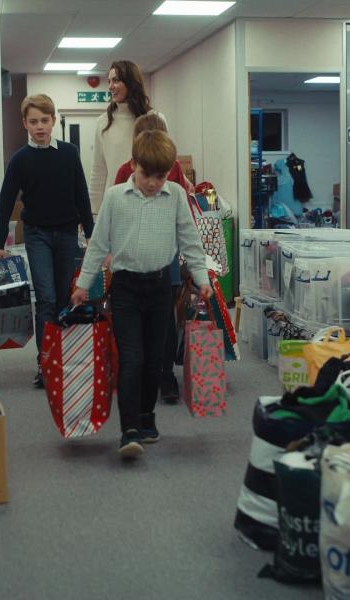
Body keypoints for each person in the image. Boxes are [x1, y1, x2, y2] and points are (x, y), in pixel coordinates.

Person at [73, 130, 212, 459]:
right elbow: (99, 245)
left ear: (170, 172)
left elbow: (190, 241)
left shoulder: (176, 195)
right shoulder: (115, 197)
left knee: (154, 361)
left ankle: (147, 418)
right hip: (126, 289)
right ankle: (129, 429)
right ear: (133, 165)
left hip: (162, 288)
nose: (153, 182)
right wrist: (83, 283)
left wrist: (202, 277)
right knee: (132, 358)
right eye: (147, 174)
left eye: (161, 176)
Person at [0, 94, 94, 388]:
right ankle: (45, 363)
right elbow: (5, 203)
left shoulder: (69, 153)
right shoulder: (20, 160)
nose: (40, 127)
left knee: (64, 298)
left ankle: (63, 358)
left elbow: (82, 197)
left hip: (66, 234)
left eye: (45, 121)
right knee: (46, 298)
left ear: (54, 121)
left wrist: (91, 237)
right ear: (25, 124)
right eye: (34, 121)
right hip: (37, 234)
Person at [112, 113, 194, 404]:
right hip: (132, 258)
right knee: (135, 321)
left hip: (165, 254)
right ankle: (140, 372)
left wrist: (192, 262)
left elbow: (184, 213)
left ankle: (166, 374)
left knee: (166, 319)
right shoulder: (125, 171)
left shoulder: (172, 170)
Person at [89, 60, 165, 214]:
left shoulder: (155, 118)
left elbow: (166, 163)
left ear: (131, 83)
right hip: (118, 204)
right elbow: (98, 171)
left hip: (152, 203)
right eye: (109, 81)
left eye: (116, 80)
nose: (110, 86)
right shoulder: (103, 123)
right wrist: (93, 212)